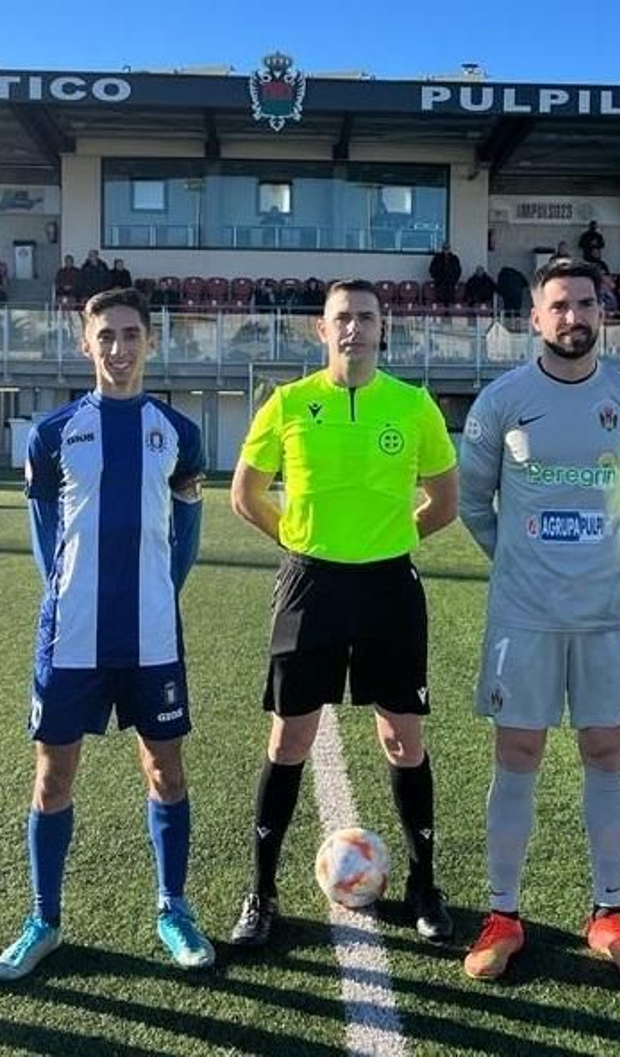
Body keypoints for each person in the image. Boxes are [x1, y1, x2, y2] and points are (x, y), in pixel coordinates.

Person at [227, 279, 460, 947]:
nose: (354, 328)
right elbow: (245, 495)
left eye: (365, 317)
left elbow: (443, 502)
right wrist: (300, 542)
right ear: (320, 331)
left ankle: (423, 884)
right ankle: (262, 892)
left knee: (402, 739)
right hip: (311, 586)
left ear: (383, 328)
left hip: (389, 588)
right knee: (288, 739)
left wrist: (390, 537)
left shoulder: (413, 407)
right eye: (341, 318)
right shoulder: (289, 404)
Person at [458, 258, 620, 983]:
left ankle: (608, 914)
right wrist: (519, 559)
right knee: (516, 756)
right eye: (559, 305)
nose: (573, 316)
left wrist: (614, 555)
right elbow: (471, 504)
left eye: (585, 302)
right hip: (524, 614)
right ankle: (502, 915)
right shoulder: (501, 401)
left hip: (609, 614)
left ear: (599, 312)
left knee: (606, 755)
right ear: (536, 318)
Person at [0, 287, 210, 981]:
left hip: (152, 634)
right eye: (105, 336)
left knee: (165, 769)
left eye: (130, 334)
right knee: (53, 778)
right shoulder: (52, 433)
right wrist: (72, 595)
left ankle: (173, 907)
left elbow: (188, 533)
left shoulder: (180, 432)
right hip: (71, 635)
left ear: (150, 341)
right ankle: (43, 918)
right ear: (85, 344)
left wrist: (157, 591)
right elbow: (43, 539)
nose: (118, 348)